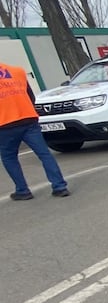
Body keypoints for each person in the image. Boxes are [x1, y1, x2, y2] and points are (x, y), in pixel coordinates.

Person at [0, 62, 70, 200]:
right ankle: (60, 187)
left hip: (4, 123)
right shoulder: (17, 71)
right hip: (28, 118)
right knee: (44, 154)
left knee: (9, 157)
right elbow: (30, 96)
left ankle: (23, 190)